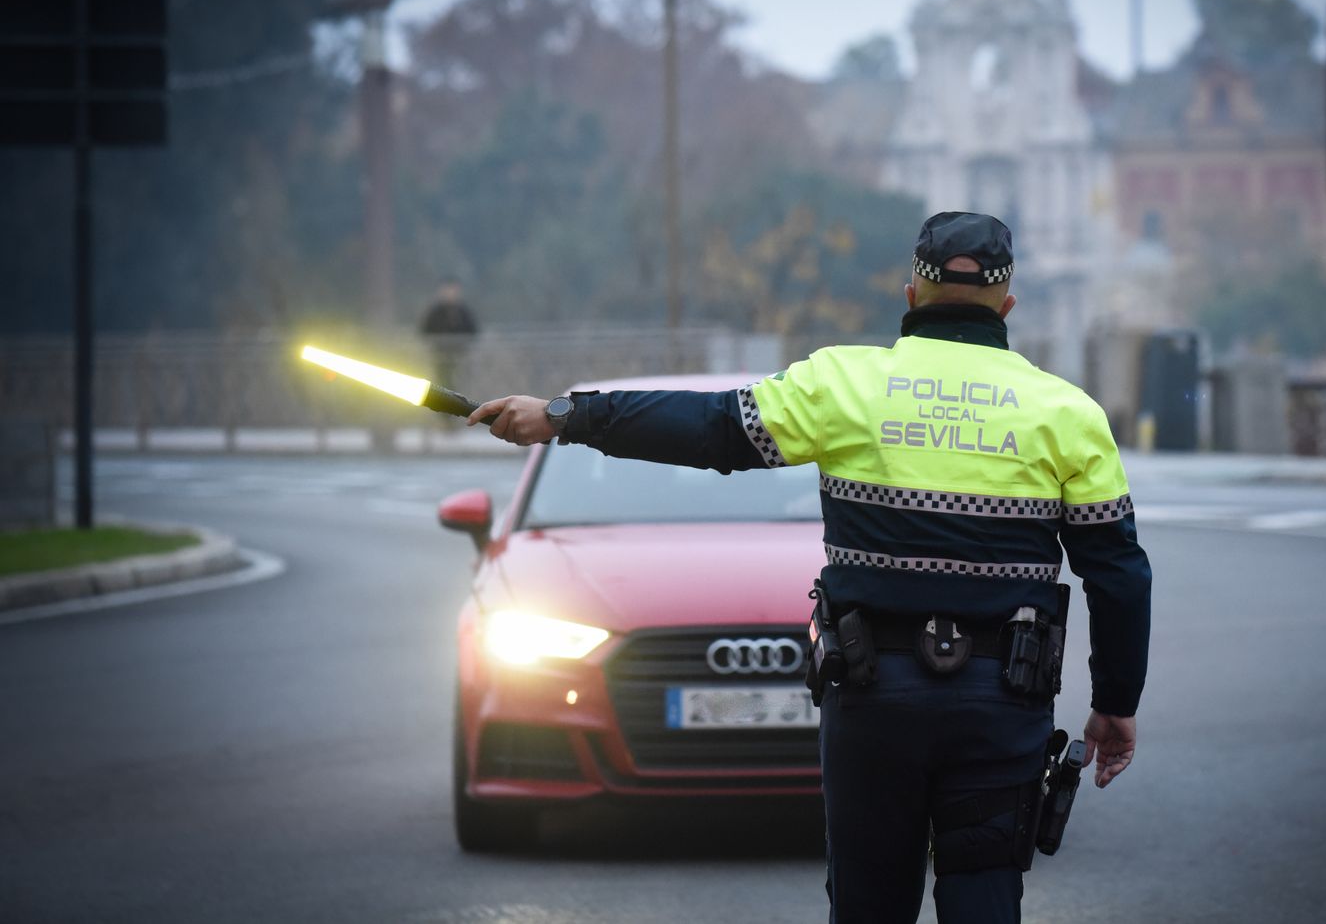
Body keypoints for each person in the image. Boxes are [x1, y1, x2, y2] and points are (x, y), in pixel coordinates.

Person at [468, 211, 1151, 924]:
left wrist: (566, 416)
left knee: (869, 900)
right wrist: (1116, 700)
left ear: (911, 292)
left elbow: (712, 429)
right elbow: (1120, 574)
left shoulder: (841, 383)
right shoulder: (1067, 412)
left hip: (872, 696)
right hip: (1002, 700)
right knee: (983, 895)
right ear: (1007, 306)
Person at [418, 278, 479, 390]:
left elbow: (473, 330)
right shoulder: (435, 311)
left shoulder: (463, 311)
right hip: (440, 356)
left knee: (460, 383)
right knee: (442, 382)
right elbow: (424, 330)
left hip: (459, 356)